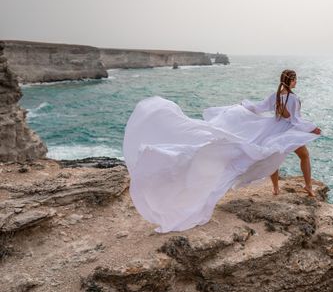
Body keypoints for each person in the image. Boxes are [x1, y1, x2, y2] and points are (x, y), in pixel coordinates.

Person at [123, 69, 321, 233]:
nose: (296, 82)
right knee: (300, 155)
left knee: (270, 155)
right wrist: (313, 128)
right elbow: (295, 121)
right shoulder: (294, 99)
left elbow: (259, 108)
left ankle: (276, 188)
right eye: (295, 79)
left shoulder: (276, 95)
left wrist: (243, 108)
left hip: (270, 128)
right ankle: (308, 187)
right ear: (292, 81)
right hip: (285, 130)